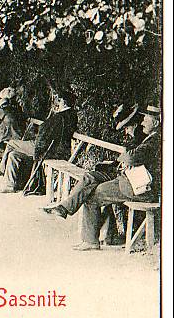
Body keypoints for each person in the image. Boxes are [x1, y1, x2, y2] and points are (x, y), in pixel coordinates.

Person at [45, 106, 161, 251]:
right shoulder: (152, 137)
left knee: (91, 195)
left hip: (140, 188)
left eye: (145, 119)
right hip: (131, 181)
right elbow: (131, 157)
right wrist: (125, 159)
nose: (142, 122)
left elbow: (131, 157)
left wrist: (125, 159)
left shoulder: (154, 140)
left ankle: (91, 240)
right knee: (90, 179)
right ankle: (70, 212)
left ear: (155, 123)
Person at [39, 103, 141, 221]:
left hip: (130, 180)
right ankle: (63, 208)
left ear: (134, 125)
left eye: (127, 128)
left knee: (91, 194)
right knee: (89, 176)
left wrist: (121, 161)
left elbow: (131, 159)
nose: (126, 132)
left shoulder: (141, 138)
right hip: (121, 173)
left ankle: (68, 212)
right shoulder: (136, 137)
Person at [0, 88, 78, 193]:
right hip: (48, 147)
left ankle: (1, 169)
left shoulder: (60, 117)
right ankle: (10, 185)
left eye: (59, 100)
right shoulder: (70, 116)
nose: (57, 103)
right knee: (13, 155)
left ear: (63, 102)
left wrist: (37, 136)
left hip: (44, 149)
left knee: (11, 143)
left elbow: (44, 133)